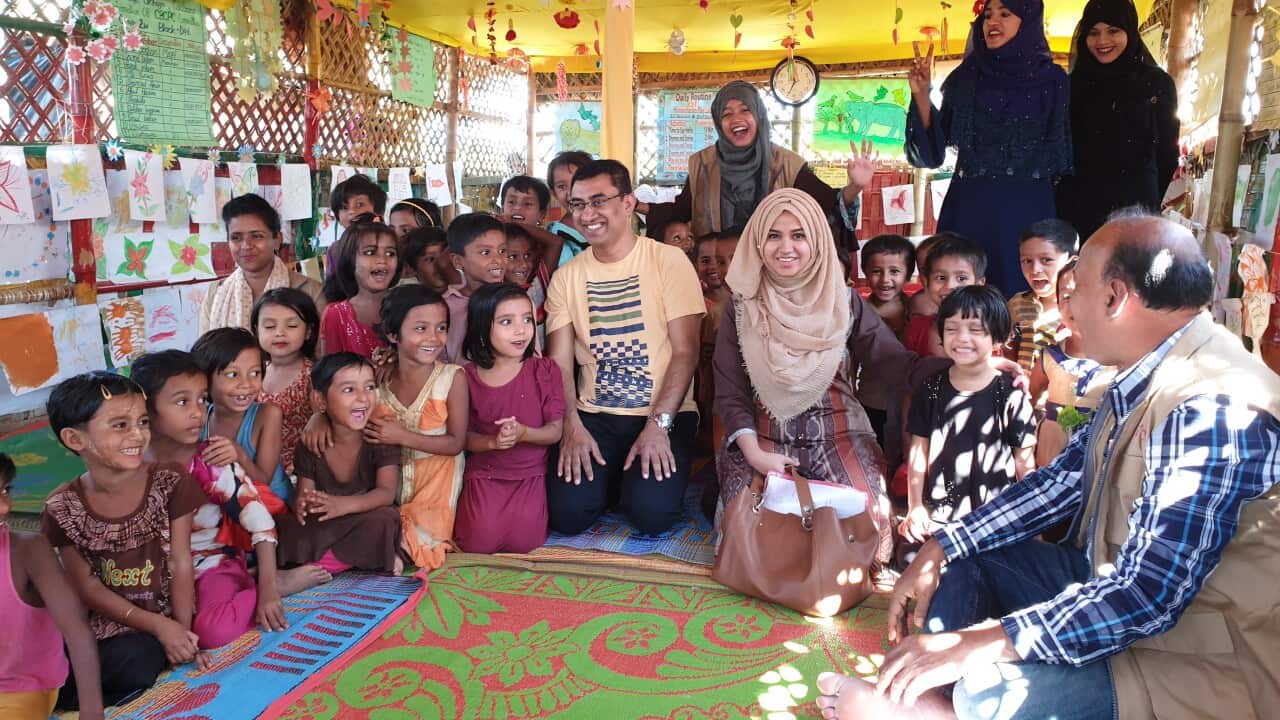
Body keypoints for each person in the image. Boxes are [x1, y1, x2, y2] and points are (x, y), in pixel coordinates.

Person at [815, 213, 1280, 720]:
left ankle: (936, 708)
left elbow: (1147, 596)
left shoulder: (1212, 408)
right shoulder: (1145, 374)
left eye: (1076, 288)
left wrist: (983, 643)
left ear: (1114, 298)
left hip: (1196, 653)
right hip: (1110, 583)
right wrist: (941, 545)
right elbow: (1058, 483)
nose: (1067, 304)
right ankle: (928, 696)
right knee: (968, 553)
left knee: (987, 690)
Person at [713, 188, 952, 565]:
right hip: (762, 438)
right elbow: (730, 391)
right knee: (748, 542)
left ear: (818, 239)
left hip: (838, 433)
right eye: (773, 235)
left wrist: (966, 369)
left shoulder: (844, 301)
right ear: (758, 242)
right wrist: (755, 455)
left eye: (799, 235)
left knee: (873, 545)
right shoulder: (742, 307)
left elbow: (896, 364)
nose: (785, 247)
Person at [546, 159, 705, 536]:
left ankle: (629, 484)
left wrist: (658, 426)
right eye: (579, 204)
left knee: (651, 516)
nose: (588, 214)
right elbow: (560, 364)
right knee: (567, 516)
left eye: (599, 201)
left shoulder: (668, 261)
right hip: (594, 417)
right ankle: (616, 480)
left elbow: (687, 352)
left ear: (629, 204)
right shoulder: (566, 277)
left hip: (664, 413)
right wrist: (571, 424)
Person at [132, 351, 324, 650]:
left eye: (201, 399)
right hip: (154, 570)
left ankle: (266, 582)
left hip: (212, 565)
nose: (197, 412)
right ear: (145, 408)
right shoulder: (130, 463)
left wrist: (269, 590)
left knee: (211, 632)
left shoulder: (211, 459)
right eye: (182, 402)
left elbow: (261, 525)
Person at [43, 372, 207, 711]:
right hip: (98, 627)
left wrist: (181, 632)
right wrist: (160, 626)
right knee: (42, 657)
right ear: (75, 439)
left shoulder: (169, 482)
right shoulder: (62, 507)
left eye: (143, 422)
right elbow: (86, 588)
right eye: (120, 425)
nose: (138, 435)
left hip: (146, 632)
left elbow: (180, 561)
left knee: (142, 657)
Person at [905, 0, 1072, 294]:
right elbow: (931, 155)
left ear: (1028, 21)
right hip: (970, 207)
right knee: (964, 299)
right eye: (988, 15)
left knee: (1025, 304)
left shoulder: (1055, 81)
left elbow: (1064, 154)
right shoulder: (966, 77)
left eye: (1005, 14)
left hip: (1029, 210)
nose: (993, 22)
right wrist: (920, 94)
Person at [642, 80, 876, 251]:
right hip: (719, 274)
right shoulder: (702, 164)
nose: (736, 119)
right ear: (717, 122)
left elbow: (828, 205)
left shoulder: (787, 164)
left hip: (774, 271)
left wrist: (855, 186)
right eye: (727, 114)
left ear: (759, 116)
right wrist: (638, 205)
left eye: (745, 110)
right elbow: (683, 211)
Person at [899, 286, 1037, 545]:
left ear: (998, 338)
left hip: (995, 516)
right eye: (951, 329)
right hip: (941, 515)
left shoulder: (1011, 394)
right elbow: (919, 450)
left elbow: (1024, 462)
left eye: (976, 330)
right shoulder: (930, 389)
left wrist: (1032, 519)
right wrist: (915, 506)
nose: (961, 338)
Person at [456, 283, 565, 553]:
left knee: (525, 544)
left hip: (530, 477)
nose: (521, 330)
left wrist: (523, 434)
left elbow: (555, 431)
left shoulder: (545, 370)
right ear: (482, 327)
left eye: (527, 319)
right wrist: (493, 443)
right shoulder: (465, 377)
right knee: (477, 543)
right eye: (507, 321)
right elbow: (463, 437)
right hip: (485, 476)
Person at [1057, 0, 1179, 241]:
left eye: (1113, 31)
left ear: (1130, 31)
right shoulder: (1071, 86)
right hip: (1078, 208)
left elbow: (1168, 152)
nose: (1102, 41)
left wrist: (1146, 196)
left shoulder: (1156, 84)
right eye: (1094, 33)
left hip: (1134, 209)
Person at [368, 286, 467, 568]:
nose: (433, 338)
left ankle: (395, 549)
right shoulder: (377, 383)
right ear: (393, 335)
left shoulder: (451, 378)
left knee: (419, 539)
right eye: (420, 328)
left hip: (435, 493)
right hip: (390, 491)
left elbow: (455, 443)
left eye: (441, 328)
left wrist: (402, 436)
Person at [277, 353, 404, 575]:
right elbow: (304, 495)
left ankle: (315, 569)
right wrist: (304, 505)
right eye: (349, 390)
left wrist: (343, 505)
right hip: (327, 519)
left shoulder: (379, 436)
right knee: (284, 525)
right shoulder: (312, 443)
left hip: (363, 513)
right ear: (320, 400)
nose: (363, 399)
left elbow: (385, 493)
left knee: (385, 519)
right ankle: (368, 557)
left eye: (370, 387)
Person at [0, 453, 104, 720]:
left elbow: (77, 630)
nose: (5, 507)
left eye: (5, 490)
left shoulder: (28, 550)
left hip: (19, 690)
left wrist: (91, 713)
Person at [200, 193, 325, 334]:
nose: (246, 246)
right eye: (236, 238)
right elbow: (204, 352)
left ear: (277, 239)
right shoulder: (216, 293)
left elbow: (320, 352)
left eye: (256, 236)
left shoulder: (310, 291)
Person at [192, 328, 291, 505]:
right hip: (229, 508)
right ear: (205, 379)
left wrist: (239, 455)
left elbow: (264, 482)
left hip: (273, 507)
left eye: (255, 373)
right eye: (232, 374)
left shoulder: (268, 415)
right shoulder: (201, 417)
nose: (246, 384)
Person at [1030, 261, 1114, 467]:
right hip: (1051, 451)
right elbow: (1027, 398)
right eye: (1066, 297)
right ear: (1058, 304)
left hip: (1098, 455)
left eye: (1083, 294)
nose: (1074, 305)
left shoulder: (1119, 360)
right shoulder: (1049, 355)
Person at [253, 288, 320, 477]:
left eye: (291, 326)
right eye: (269, 326)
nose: (280, 333)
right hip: (256, 468)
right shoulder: (253, 373)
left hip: (300, 471)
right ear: (256, 330)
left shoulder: (313, 375)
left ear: (308, 332)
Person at [320, 216, 402, 358]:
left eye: (390, 253)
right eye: (370, 252)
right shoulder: (335, 315)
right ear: (350, 260)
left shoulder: (409, 308)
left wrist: (397, 360)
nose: (382, 260)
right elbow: (331, 371)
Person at [1008, 218, 1076, 375]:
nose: (1035, 269)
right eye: (1027, 261)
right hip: (1020, 394)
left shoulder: (1079, 309)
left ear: (1071, 262)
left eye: (1046, 260)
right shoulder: (1017, 303)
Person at [904, 233, 986, 359]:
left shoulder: (988, 328)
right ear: (927, 280)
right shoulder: (917, 329)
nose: (949, 286)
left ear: (979, 284)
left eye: (961, 278)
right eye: (941, 277)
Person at [443, 213, 508, 363]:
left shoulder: (519, 303)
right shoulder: (445, 307)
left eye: (502, 251)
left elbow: (532, 358)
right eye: (485, 252)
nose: (498, 259)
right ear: (458, 261)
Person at [324, 174, 387, 278]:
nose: (351, 212)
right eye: (344, 207)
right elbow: (332, 286)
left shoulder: (389, 244)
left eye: (359, 204)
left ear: (378, 211)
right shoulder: (335, 250)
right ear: (338, 218)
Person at [861, 233, 917, 339]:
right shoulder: (861, 313)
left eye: (894, 271)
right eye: (876, 271)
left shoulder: (915, 308)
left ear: (908, 275)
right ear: (866, 273)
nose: (885, 279)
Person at [545, 150, 593, 267]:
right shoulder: (559, 236)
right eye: (561, 186)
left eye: (577, 182)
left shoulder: (605, 222)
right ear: (554, 193)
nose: (571, 193)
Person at [504, 222, 546, 349]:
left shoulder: (535, 289)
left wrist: (510, 221)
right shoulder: (489, 299)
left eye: (527, 255)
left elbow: (556, 243)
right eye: (512, 257)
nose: (523, 264)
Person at [400, 226, 458, 292]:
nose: (440, 263)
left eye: (445, 256)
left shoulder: (466, 291)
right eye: (431, 259)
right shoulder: (407, 298)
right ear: (412, 268)